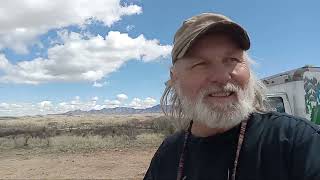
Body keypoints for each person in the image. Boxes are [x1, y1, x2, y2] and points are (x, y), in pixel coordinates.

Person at [144, 12, 320, 180]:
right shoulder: (168, 154)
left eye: (232, 60)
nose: (222, 77)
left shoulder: (299, 143)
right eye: (200, 64)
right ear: (174, 78)